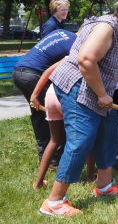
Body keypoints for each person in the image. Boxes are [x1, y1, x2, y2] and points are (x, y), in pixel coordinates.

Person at [39, 0, 118, 217]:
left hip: (96, 91)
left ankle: (105, 186)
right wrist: (101, 94)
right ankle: (54, 201)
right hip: (78, 88)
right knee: (81, 139)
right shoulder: (105, 29)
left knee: (108, 132)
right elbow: (86, 60)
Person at [13, 29, 77, 163]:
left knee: (39, 115)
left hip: (19, 72)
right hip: (33, 76)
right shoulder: (76, 44)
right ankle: (55, 159)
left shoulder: (61, 32)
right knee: (55, 118)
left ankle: (45, 157)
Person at [30, 61, 95, 190]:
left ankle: (38, 182)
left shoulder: (68, 57)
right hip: (69, 96)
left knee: (54, 140)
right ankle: (90, 177)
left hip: (52, 94)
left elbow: (47, 72)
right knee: (87, 137)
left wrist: (35, 94)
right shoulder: (91, 57)